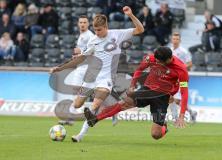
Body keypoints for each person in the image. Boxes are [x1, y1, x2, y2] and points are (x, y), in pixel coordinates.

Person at [50, 6, 144, 140]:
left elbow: (140, 29)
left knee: (94, 105)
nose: (97, 33)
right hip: (91, 78)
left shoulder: (118, 34)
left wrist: (131, 15)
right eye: (95, 30)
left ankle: (80, 135)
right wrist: (60, 68)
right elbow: (81, 58)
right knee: (77, 104)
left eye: (99, 30)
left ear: (106, 27)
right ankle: (105, 111)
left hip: (106, 79)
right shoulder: (93, 40)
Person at [84, 46, 189, 140]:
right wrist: (132, 85)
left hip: (162, 96)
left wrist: (181, 115)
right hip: (147, 89)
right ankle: (95, 119)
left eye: (161, 62)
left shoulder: (181, 69)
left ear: (169, 59)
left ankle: (164, 127)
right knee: (124, 102)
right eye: (157, 61)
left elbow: (184, 93)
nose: (158, 64)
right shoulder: (152, 58)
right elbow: (139, 69)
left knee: (155, 135)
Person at [169, 32, 197, 122]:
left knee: (176, 100)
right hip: (170, 78)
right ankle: (190, 113)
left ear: (180, 40)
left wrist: (181, 68)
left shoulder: (184, 51)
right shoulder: (169, 51)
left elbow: (190, 63)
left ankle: (176, 118)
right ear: (171, 40)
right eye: (174, 39)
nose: (175, 41)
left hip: (180, 77)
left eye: (177, 39)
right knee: (171, 98)